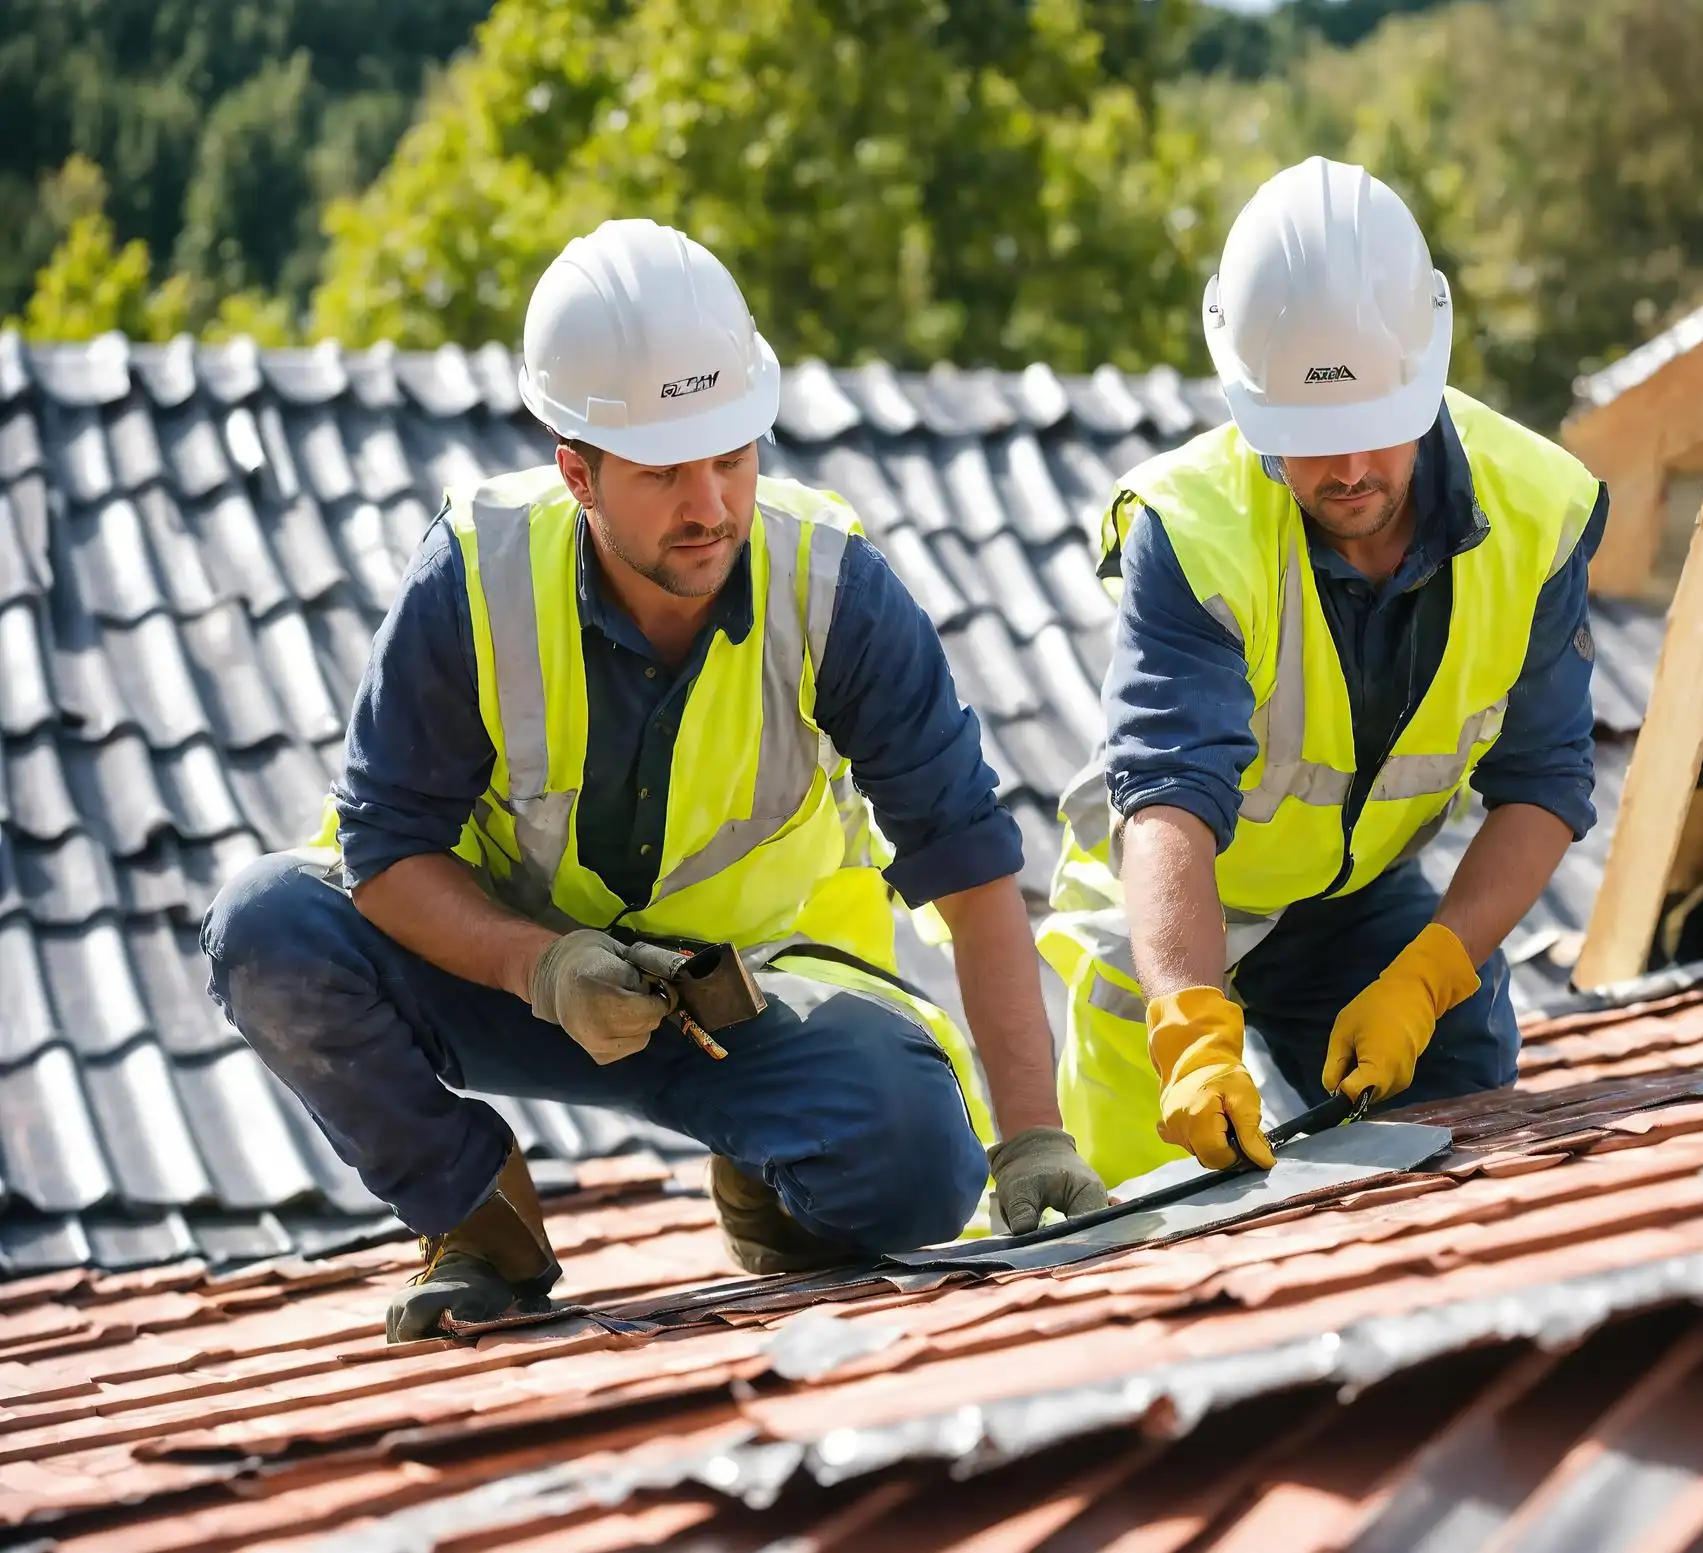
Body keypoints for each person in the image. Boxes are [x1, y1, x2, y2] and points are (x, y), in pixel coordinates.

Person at [201, 219, 1106, 1340]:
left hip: (755, 1011)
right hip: (508, 978)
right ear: (574, 468)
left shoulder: (836, 589)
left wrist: (1029, 1134)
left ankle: (770, 1184)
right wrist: (540, 963)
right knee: (268, 930)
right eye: (666, 471)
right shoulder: (473, 577)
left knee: (921, 1165)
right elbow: (384, 853)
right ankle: (478, 1222)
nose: (712, 504)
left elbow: (972, 870)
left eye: (732, 456)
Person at [1038, 158, 1608, 1191]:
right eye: (1307, 442)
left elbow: (1543, 784)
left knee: (1454, 1130)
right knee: (1139, 1234)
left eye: (1370, 432)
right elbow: (1167, 789)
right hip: (1169, 923)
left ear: (1427, 376)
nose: (1346, 471)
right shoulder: (1192, 526)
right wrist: (1188, 1024)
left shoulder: (1539, 507)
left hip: (1354, 903)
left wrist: (1428, 977)